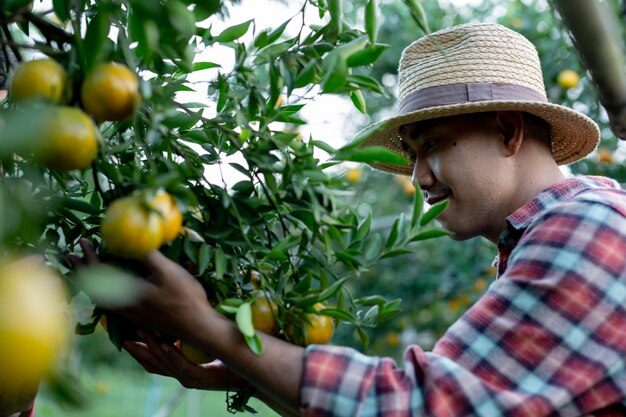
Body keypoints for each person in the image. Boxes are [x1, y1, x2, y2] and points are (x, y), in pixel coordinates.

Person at [73, 22, 626, 416]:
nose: (420, 179)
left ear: (508, 131)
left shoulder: (584, 232)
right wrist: (236, 371)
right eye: (411, 157)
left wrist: (209, 329)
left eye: (431, 145)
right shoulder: (551, 238)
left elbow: (418, 405)